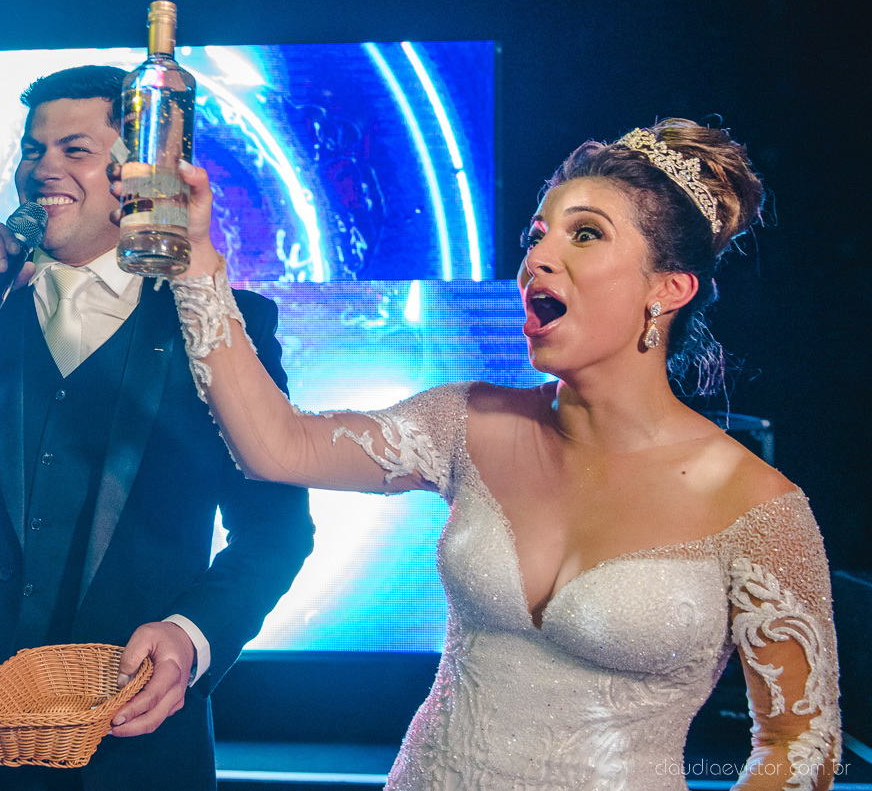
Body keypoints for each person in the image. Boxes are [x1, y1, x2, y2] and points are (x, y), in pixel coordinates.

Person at [143, 118, 841, 789]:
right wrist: (195, 255)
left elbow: (798, 744)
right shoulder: (466, 421)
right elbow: (276, 446)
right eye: (537, 235)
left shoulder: (759, 508)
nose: (537, 258)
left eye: (586, 234)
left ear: (669, 289)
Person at [0, 65, 314, 791]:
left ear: (140, 173)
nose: (42, 168)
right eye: (32, 149)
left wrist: (191, 637)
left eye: (74, 150)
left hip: (130, 741)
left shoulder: (224, 325)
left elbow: (276, 532)